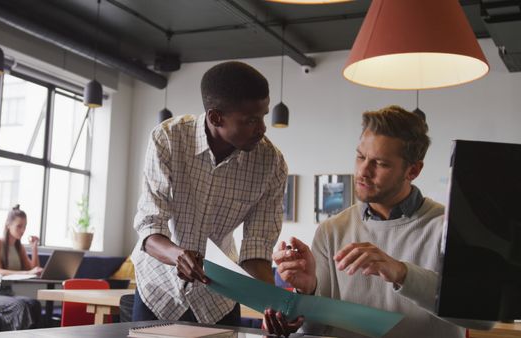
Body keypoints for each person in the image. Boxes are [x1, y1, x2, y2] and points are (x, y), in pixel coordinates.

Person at [265, 106, 465, 338]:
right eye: (361, 156)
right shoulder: (331, 230)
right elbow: (313, 330)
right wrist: (307, 292)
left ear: (413, 170)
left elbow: (480, 319)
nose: (363, 171)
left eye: (380, 163)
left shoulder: (449, 228)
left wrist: (401, 273)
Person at [131, 61, 288, 325]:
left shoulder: (270, 163)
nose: (262, 129)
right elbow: (149, 227)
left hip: (219, 298)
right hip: (159, 290)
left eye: (263, 116)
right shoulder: (168, 139)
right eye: (250, 120)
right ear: (216, 117)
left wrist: (272, 306)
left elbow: (256, 250)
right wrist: (178, 255)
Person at [0, 205, 43, 331]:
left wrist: (34, 248)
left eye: (25, 226)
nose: (22, 230)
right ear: (8, 225)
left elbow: (33, 269)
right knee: (20, 306)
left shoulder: (18, 246)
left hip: (8, 293)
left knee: (34, 304)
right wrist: (28, 272)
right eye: (19, 226)